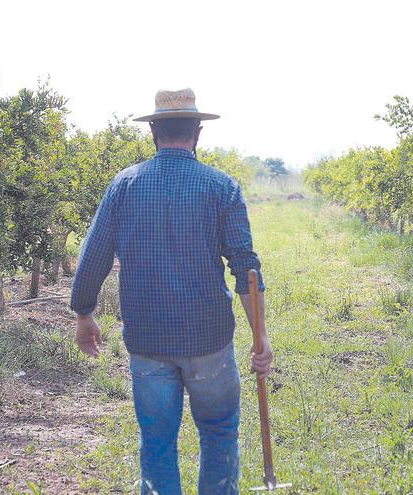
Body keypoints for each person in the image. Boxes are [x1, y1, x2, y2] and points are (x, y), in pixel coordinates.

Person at [69, 88, 272, 495]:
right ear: (198, 134)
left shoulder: (124, 185)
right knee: (218, 433)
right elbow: (245, 267)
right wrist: (260, 338)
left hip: (148, 340)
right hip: (209, 340)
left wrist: (84, 313)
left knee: (157, 443)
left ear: (153, 133)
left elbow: (93, 255)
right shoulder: (222, 188)